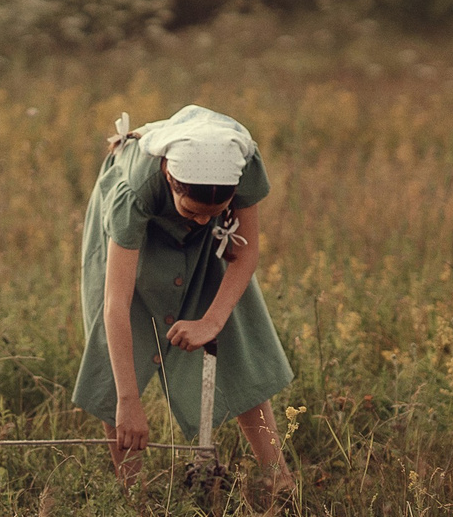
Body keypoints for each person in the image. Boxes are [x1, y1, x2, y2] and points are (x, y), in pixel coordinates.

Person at [72, 105, 294, 495]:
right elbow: (115, 304)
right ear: (170, 179)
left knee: (233, 337)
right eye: (193, 212)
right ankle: (135, 497)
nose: (204, 223)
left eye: (216, 214)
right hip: (133, 230)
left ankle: (279, 479)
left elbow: (245, 254)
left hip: (198, 225)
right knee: (119, 346)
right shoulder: (134, 191)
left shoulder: (240, 168)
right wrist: (127, 401)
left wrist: (212, 321)